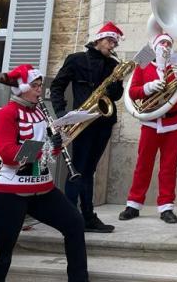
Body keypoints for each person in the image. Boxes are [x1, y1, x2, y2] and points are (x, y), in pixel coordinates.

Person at [0, 65, 88, 282]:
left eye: (40, 86)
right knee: (2, 254)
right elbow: (6, 154)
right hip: (9, 192)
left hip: (41, 188)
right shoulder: (6, 114)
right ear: (21, 89)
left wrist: (57, 143)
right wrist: (44, 147)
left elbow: (48, 152)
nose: (39, 91)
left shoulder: (41, 112)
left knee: (75, 224)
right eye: (34, 86)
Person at [50, 21, 125, 232]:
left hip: (104, 122)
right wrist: (63, 113)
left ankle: (87, 217)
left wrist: (117, 82)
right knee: (77, 169)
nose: (112, 46)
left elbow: (117, 96)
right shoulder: (76, 60)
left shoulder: (113, 65)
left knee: (89, 170)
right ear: (99, 39)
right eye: (110, 41)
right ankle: (71, 217)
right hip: (82, 121)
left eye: (115, 43)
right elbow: (57, 86)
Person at [119, 31, 177, 224]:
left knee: (169, 167)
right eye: (161, 44)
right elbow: (132, 92)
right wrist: (147, 88)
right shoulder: (143, 65)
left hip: (172, 123)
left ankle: (166, 207)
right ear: (154, 46)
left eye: (168, 44)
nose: (165, 47)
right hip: (150, 122)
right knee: (143, 164)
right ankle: (134, 204)